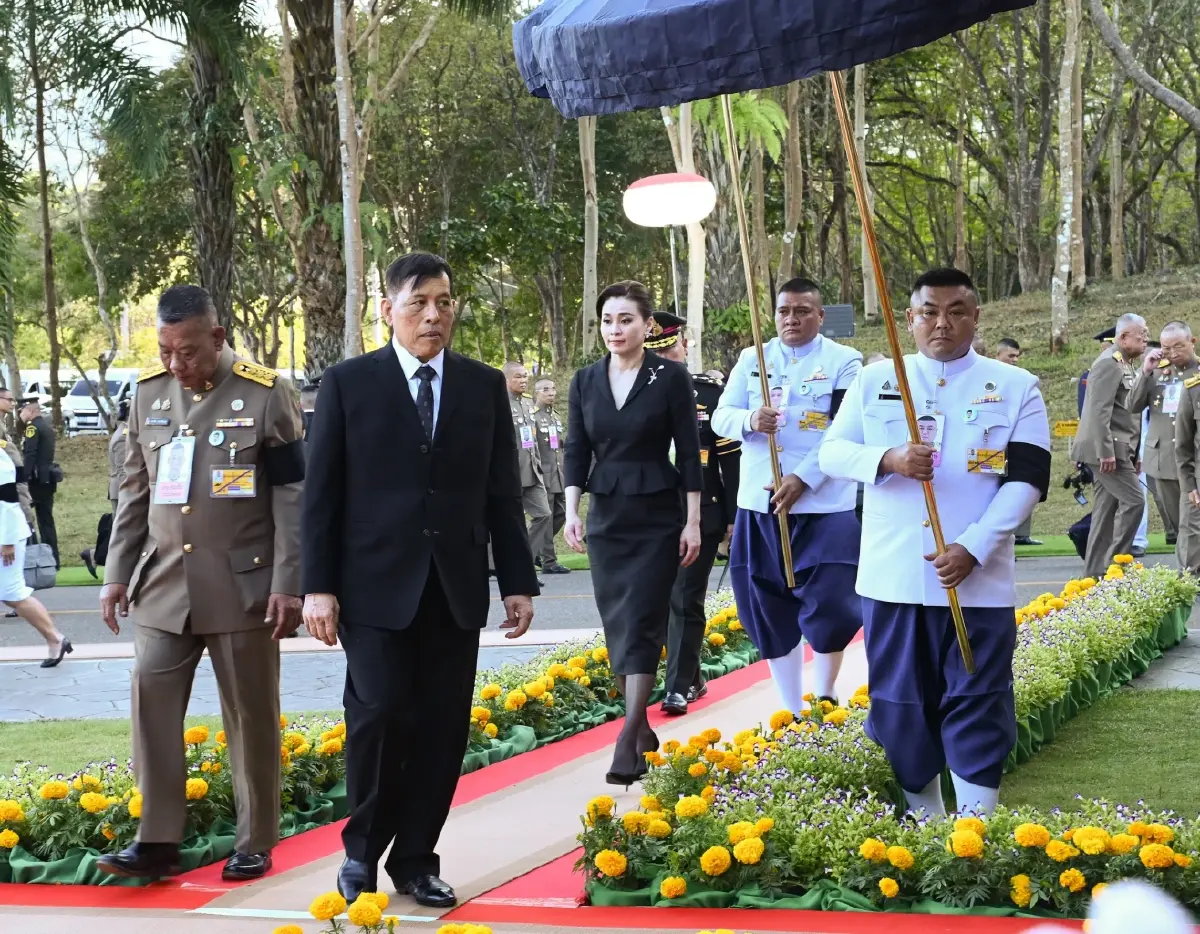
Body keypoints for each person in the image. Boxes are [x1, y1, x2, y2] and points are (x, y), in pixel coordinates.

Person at [301, 252, 537, 907]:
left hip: (455, 588)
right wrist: (317, 587)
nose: (434, 315)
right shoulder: (349, 384)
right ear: (387, 310)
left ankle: (415, 861)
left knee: (440, 728)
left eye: (444, 301)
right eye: (418, 303)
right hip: (372, 588)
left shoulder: (482, 385)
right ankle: (360, 854)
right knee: (377, 717)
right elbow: (321, 495)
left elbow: (500, 494)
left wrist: (516, 581)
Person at [820, 267, 1050, 817]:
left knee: (979, 699)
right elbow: (831, 453)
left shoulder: (1016, 386)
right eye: (929, 312)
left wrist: (974, 547)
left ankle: (976, 831)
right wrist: (887, 458)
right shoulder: (874, 382)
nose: (942, 323)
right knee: (901, 706)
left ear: (976, 317)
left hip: (978, 581)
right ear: (910, 318)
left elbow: (1027, 480)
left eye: (956, 311)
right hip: (893, 577)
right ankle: (925, 827)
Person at [97, 285, 306, 882]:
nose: (174, 364)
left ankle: (254, 839)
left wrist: (289, 583)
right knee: (151, 699)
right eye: (165, 350)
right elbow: (134, 492)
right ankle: (158, 839)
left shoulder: (267, 394)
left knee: (249, 713)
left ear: (217, 338)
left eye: (186, 351)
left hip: (244, 586)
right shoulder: (148, 394)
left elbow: (293, 497)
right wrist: (117, 575)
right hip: (165, 584)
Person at [563, 280, 701, 785]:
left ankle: (627, 735)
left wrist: (693, 521)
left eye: (625, 320)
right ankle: (641, 727)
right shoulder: (584, 380)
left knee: (643, 617)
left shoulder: (670, 377)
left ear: (647, 326)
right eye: (607, 321)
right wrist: (572, 511)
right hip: (606, 518)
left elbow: (688, 453)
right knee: (617, 621)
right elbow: (576, 449)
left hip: (659, 516)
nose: (615, 329)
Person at [713, 277, 863, 712]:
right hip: (759, 503)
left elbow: (844, 427)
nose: (792, 319)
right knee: (764, 604)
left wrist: (802, 477)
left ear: (820, 315)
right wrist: (749, 419)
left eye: (802, 311)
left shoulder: (845, 362)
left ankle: (826, 692)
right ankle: (791, 706)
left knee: (832, 601)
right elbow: (721, 416)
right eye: (784, 311)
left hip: (822, 502)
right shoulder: (751, 358)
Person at [649, 310, 740, 716]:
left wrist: (736, 517)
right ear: (678, 345)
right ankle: (693, 673)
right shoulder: (630, 392)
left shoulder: (708, 395)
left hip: (702, 513)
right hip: (649, 515)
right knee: (656, 600)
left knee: (685, 598)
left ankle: (677, 687)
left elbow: (730, 462)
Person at [1071, 313, 1148, 578]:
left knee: (1104, 515)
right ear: (1124, 337)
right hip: (1106, 450)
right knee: (1135, 501)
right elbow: (1097, 412)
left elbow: (1127, 413)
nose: (1146, 339)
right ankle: (1114, 566)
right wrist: (1105, 452)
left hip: (1120, 448)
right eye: (1142, 335)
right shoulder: (1108, 363)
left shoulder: (1125, 363)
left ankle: (1092, 575)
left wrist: (1134, 452)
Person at [0, 445, 69, 665]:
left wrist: (8, 541)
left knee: (13, 593)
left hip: (6, 535)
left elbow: (9, 500)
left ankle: (55, 638)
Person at [1130, 323, 1196, 551]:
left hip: (1194, 459)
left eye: (1179, 346)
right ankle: (1188, 576)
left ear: (1192, 342)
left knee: (1193, 523)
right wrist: (1146, 371)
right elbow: (1133, 405)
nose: (1173, 353)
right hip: (1163, 458)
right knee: (1179, 524)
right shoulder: (1157, 372)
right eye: (1167, 348)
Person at [503, 362, 556, 576]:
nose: (524, 380)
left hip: (532, 471)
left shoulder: (527, 405)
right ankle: (494, 565)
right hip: (509, 474)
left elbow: (531, 440)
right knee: (505, 522)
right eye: (518, 377)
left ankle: (524, 563)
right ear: (506, 380)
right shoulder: (498, 404)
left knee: (544, 514)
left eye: (525, 376)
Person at [994, 338, 1041, 546]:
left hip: (1018, 444)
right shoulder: (987, 379)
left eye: (1017, 356)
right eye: (1010, 356)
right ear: (998, 355)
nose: (1015, 360)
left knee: (1023, 482)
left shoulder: (1021, 381)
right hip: (993, 446)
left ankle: (1022, 534)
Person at [81, 400, 130, 578]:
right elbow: (123, 470)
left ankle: (98, 557)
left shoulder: (126, 433)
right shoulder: (123, 437)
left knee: (122, 531)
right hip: (123, 492)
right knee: (123, 532)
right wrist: (133, 492)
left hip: (123, 491)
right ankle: (106, 563)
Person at [531, 376, 569, 574]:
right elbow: (531, 448)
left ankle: (537, 549)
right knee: (546, 516)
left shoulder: (554, 416)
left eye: (553, 388)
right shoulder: (532, 416)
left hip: (558, 473)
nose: (551, 392)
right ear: (537, 393)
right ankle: (549, 562)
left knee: (561, 513)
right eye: (546, 389)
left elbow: (558, 447)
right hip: (542, 474)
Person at [20, 397, 57, 569]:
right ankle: (53, 559)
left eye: (23, 410)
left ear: (31, 411)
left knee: (29, 518)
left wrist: (23, 477)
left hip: (35, 480)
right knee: (46, 520)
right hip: (47, 478)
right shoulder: (47, 426)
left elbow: (30, 454)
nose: (20, 414)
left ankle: (37, 559)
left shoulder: (33, 428)